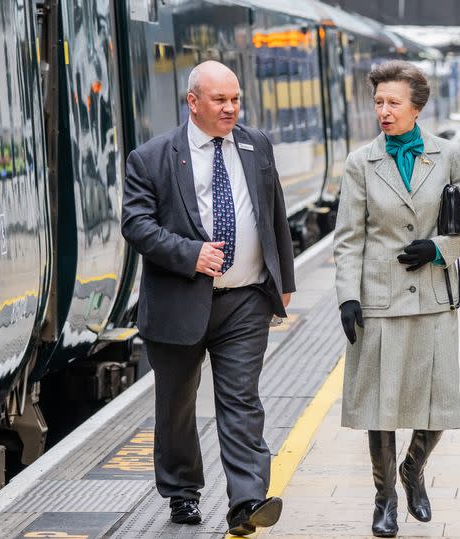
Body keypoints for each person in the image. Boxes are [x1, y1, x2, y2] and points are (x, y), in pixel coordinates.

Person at [121, 60, 295, 536]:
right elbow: (135, 225)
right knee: (177, 404)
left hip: (245, 300)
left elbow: (273, 212)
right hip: (179, 301)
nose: (231, 108)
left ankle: (246, 500)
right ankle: (182, 492)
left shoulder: (255, 144)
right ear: (193, 103)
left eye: (235, 99)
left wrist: (283, 281)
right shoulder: (152, 158)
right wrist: (190, 254)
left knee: (241, 400)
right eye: (220, 100)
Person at [333, 60, 460, 538]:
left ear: (416, 107)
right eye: (378, 102)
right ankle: (384, 501)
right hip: (378, 300)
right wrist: (347, 297)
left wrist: (440, 249)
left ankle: (412, 470)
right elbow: (348, 238)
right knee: (380, 408)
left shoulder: (448, 156)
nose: (383, 110)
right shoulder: (361, 162)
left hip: (433, 298)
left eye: (393, 102)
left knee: (438, 402)